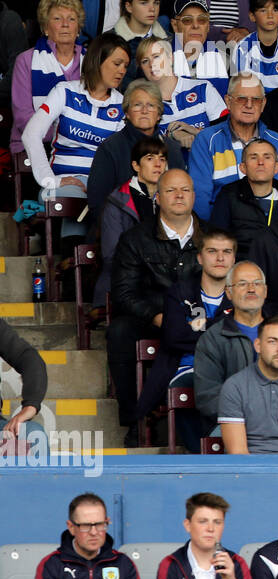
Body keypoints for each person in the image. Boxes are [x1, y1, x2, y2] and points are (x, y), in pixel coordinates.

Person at [109, 169, 202, 443]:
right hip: (154, 317)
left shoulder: (211, 238)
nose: (179, 196)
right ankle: (134, 419)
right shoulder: (135, 238)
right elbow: (124, 293)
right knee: (119, 332)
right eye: (171, 190)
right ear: (158, 198)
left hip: (200, 318)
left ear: (194, 196)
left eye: (185, 190)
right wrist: (158, 316)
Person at [134, 228, 236, 449]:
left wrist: (200, 327)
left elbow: (242, 337)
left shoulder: (240, 294)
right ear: (199, 257)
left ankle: (217, 449)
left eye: (226, 252)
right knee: (201, 386)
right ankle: (205, 453)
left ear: (234, 258)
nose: (220, 258)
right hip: (185, 370)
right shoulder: (179, 292)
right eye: (212, 251)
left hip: (230, 371)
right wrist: (219, 333)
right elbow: (173, 337)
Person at [21, 33, 128, 231]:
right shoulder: (64, 92)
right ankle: (73, 256)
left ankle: (73, 257)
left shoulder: (123, 104)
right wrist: (50, 180)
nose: (122, 71)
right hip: (64, 182)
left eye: (125, 66)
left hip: (101, 185)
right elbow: (30, 134)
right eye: (117, 63)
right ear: (97, 60)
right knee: (77, 199)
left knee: (103, 202)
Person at [194, 261, 278, 425]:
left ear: (265, 291)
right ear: (228, 292)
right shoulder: (213, 339)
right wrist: (253, 413)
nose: (251, 289)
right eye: (242, 284)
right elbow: (207, 398)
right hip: (234, 424)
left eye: (257, 283)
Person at [190, 72, 278, 219]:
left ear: (263, 104)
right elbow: (200, 197)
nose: (249, 105)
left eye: (256, 99)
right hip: (223, 227)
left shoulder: (277, 142)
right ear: (228, 101)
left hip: (270, 228)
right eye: (241, 99)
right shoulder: (207, 140)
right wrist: (215, 233)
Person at [217, 314, 278, 454]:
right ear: (258, 345)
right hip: (248, 471)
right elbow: (238, 454)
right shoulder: (234, 386)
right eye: (273, 341)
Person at [85, 78, 184, 218]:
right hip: (120, 228)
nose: (145, 111)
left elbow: (180, 196)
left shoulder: (172, 149)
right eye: (137, 105)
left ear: (159, 114)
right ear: (127, 113)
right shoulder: (110, 148)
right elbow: (97, 203)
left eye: (151, 105)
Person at [34, 493, 144, 579]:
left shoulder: (124, 564)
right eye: (85, 526)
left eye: (99, 524)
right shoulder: (52, 565)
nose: (93, 532)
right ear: (71, 527)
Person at [9, 0, 83, 159]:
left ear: (78, 28)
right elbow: (23, 117)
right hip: (34, 145)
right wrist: (67, 134)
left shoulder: (91, 61)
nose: (65, 24)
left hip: (81, 146)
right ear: (45, 28)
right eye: (57, 19)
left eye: (71, 19)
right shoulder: (26, 60)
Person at [156, 492, 257, 579]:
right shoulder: (171, 565)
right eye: (203, 521)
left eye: (217, 522)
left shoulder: (236, 563)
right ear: (187, 525)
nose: (210, 529)